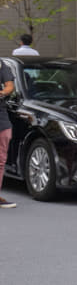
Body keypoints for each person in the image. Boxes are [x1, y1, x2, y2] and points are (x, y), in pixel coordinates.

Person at [0, 58, 15, 207]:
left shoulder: (1, 65)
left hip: (2, 118)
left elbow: (9, 86)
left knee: (0, 159)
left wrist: (2, 92)